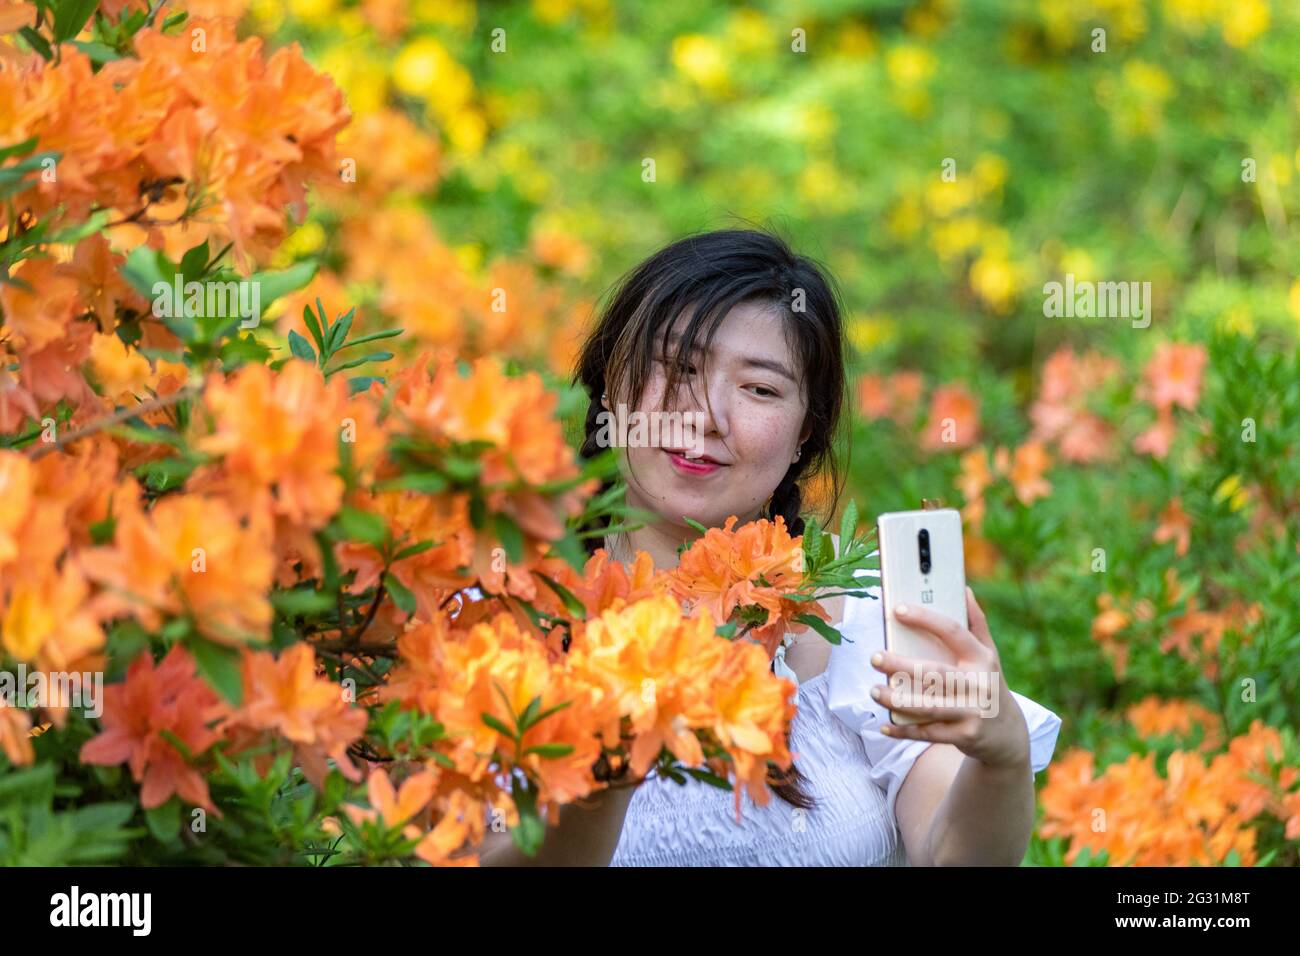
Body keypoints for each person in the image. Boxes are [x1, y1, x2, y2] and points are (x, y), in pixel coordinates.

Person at [479, 227, 1061, 866]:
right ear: (612, 382)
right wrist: (606, 768)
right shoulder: (493, 608)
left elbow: (954, 859)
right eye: (678, 369)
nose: (707, 416)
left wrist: (1001, 756)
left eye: (759, 388)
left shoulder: (865, 619)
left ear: (803, 434)